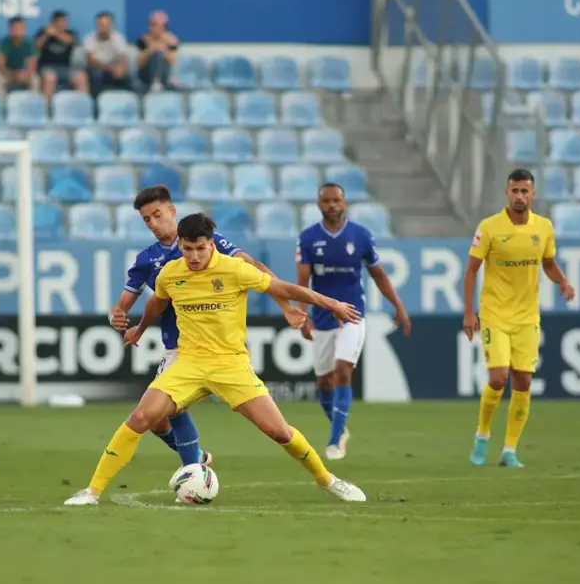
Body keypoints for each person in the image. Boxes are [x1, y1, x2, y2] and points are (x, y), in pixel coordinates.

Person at [65, 213, 367, 506]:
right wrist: (140, 329)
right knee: (141, 418)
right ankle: (92, 491)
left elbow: (283, 287)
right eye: (188, 249)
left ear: (211, 243)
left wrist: (331, 304)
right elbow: (157, 303)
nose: (194, 256)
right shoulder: (170, 273)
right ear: (180, 245)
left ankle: (328, 480)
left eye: (200, 248)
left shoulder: (234, 269)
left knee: (279, 431)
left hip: (230, 365)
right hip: (189, 363)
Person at [108, 185, 306, 470]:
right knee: (156, 421)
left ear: (171, 211)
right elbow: (124, 303)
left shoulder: (206, 242)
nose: (153, 223)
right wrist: (117, 316)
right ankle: (197, 458)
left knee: (169, 412)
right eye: (146, 219)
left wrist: (285, 305)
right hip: (178, 344)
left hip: (216, 346)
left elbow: (253, 267)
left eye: (157, 214)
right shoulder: (146, 260)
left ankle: (192, 469)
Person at [463, 169, 575, 468]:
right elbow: (471, 270)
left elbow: (548, 263)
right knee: (499, 378)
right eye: (515, 191)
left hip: (527, 317)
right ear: (507, 192)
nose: (519, 196)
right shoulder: (489, 227)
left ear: (533, 194)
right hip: (495, 314)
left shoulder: (544, 227)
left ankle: (509, 450)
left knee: (523, 381)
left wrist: (563, 281)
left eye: (525, 191)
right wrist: (469, 313)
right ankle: (483, 434)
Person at [296, 183, 411, 460]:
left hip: (352, 315)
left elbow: (378, 274)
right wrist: (303, 314)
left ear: (344, 203)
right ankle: (341, 428)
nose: (332, 205)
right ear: (319, 205)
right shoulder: (308, 238)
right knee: (324, 383)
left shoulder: (361, 236)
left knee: (343, 371)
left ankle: (335, 440)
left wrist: (398, 306)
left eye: (336, 200)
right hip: (323, 318)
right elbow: (302, 281)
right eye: (326, 201)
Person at [34, 10, 88, 99]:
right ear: (53, 23)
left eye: (65, 21)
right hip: (47, 67)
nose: (63, 24)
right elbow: (36, 47)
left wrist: (56, 33)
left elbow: (69, 41)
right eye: (60, 22)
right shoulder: (43, 33)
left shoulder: (70, 33)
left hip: (66, 68)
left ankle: (82, 104)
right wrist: (46, 35)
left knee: (81, 77)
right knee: (50, 78)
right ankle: (48, 106)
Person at [135, 10, 178, 92]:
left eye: (161, 26)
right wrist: (150, 50)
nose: (157, 29)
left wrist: (162, 50)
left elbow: (172, 62)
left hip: (164, 75)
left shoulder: (171, 40)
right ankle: (154, 82)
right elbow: (139, 64)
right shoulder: (143, 40)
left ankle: (157, 82)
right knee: (155, 56)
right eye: (153, 25)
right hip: (146, 75)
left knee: (158, 55)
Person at [0, 16, 38, 97]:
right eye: (15, 27)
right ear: (10, 29)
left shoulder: (29, 43)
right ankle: (1, 103)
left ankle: (33, 102)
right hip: (8, 73)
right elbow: (0, 65)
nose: (18, 30)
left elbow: (32, 65)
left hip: (24, 73)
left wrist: (25, 74)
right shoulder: (3, 43)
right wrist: (12, 75)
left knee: (35, 80)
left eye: (21, 27)